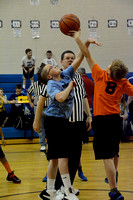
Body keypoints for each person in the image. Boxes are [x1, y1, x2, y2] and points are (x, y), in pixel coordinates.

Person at [74, 30, 133, 200]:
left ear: (109, 71)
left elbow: (86, 54)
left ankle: (114, 190)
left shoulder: (100, 75)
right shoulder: (123, 83)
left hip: (102, 120)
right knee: (115, 152)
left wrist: (79, 38)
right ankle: (113, 175)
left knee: (106, 155)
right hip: (116, 120)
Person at [33, 42, 85, 200]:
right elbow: (61, 98)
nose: (54, 66)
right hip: (54, 121)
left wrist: (85, 42)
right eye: (51, 67)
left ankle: (49, 191)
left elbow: (81, 57)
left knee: (55, 158)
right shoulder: (51, 84)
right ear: (49, 75)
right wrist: (70, 87)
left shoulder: (66, 74)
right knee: (63, 157)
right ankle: (67, 190)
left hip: (61, 120)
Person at [27, 63, 48, 152]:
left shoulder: (50, 84)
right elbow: (28, 92)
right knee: (40, 127)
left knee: (50, 127)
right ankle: (43, 144)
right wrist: (30, 102)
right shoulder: (35, 84)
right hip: (37, 107)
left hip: (48, 107)